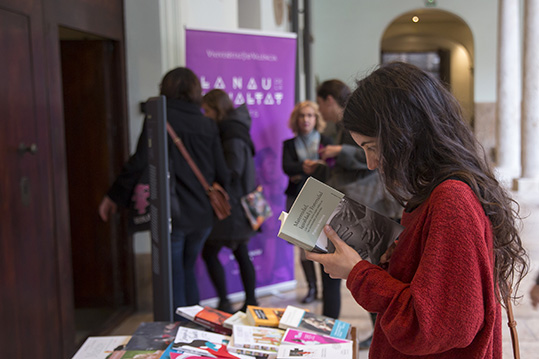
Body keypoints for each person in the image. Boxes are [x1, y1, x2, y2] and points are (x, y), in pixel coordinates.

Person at [306, 62, 529, 358]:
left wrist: (357, 273)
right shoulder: (436, 192)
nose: (371, 163)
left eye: (372, 147)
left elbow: (433, 326)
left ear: (405, 133)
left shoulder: (452, 200)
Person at [98, 67, 230, 320]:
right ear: (195, 91)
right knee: (188, 269)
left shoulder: (159, 120)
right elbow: (222, 173)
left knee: (174, 275)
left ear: (165, 89)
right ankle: (194, 329)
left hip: (173, 213)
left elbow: (139, 163)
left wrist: (114, 196)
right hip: (203, 215)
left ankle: (179, 336)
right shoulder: (207, 124)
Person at [200, 89, 259, 313]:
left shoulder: (231, 134)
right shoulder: (235, 129)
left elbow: (233, 170)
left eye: (207, 110)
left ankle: (235, 301)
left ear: (217, 110)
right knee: (238, 251)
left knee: (215, 251)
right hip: (237, 204)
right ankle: (247, 301)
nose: (204, 115)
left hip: (232, 206)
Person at [282, 100, 333, 305]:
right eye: (302, 115)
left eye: (310, 115)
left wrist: (305, 169)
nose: (306, 119)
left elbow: (331, 168)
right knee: (303, 246)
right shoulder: (288, 144)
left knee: (322, 244)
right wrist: (306, 167)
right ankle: (311, 288)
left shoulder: (327, 141)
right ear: (296, 119)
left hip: (322, 198)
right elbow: (287, 167)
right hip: (296, 197)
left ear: (316, 118)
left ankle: (326, 288)